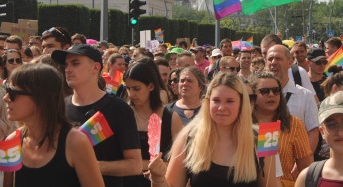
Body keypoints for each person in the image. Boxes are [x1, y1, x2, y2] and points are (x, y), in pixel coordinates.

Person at [148, 72, 278, 186]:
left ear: (241, 104)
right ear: (208, 102)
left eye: (230, 101)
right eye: (216, 100)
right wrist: (158, 178)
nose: (221, 107)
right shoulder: (188, 136)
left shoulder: (266, 137)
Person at [51, 44, 142, 186]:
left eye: (75, 63)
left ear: (95, 68)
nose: (67, 69)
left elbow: (135, 165)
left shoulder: (119, 109)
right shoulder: (58, 107)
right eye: (66, 64)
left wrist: (89, 166)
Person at [2, 63, 104, 187]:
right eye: (6, 90)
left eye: (13, 92)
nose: (6, 98)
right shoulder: (12, 141)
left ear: (40, 97)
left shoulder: (75, 142)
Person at [123, 58, 183, 186]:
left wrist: (160, 168)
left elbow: (180, 162)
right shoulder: (123, 114)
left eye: (136, 88)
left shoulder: (171, 118)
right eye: (128, 88)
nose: (131, 94)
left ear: (150, 86)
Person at [251, 72, 313, 183]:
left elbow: (306, 168)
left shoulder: (294, 123)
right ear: (253, 96)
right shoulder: (243, 124)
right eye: (265, 91)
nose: (271, 94)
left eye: (276, 90)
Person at [266, 44, 319, 154]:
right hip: (268, 161)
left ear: (290, 63)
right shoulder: (259, 96)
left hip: (296, 164)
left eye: (278, 58)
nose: (273, 62)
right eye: (270, 59)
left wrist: (303, 161)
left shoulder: (305, 96)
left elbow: (313, 132)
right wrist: (266, 163)